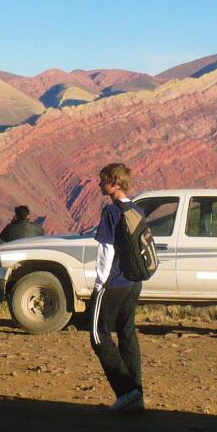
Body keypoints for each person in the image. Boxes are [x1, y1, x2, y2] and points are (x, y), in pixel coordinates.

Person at [91, 162, 145, 413]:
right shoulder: (137, 210)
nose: (100, 184)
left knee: (98, 335)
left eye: (103, 181)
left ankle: (126, 391)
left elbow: (106, 250)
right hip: (134, 282)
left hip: (113, 283)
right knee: (127, 334)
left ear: (114, 183)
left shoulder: (111, 213)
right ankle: (137, 394)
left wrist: (99, 283)